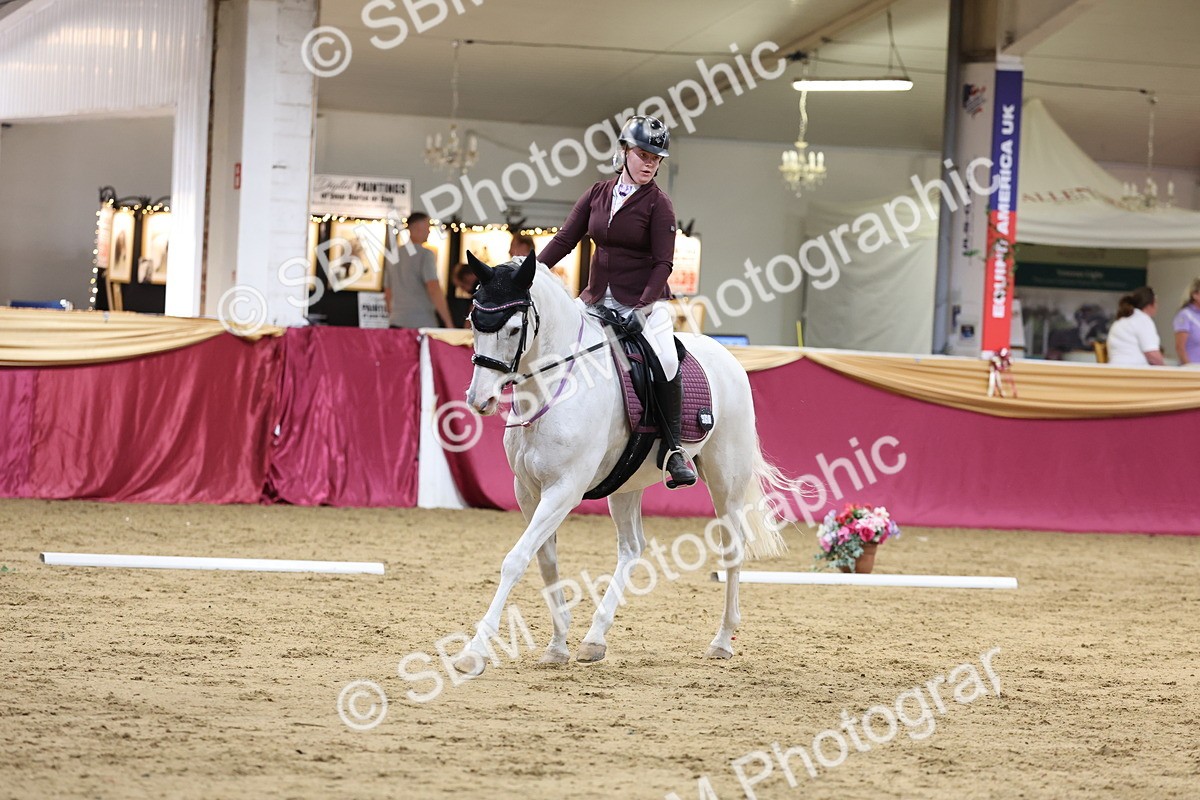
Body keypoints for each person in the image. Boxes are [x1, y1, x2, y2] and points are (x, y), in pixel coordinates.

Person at [537, 115, 695, 489]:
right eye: (642, 154)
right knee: (555, 345)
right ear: (624, 152)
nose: (649, 163)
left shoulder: (660, 205)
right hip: (594, 299)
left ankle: (674, 450)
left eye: (656, 158)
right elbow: (564, 240)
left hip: (644, 303)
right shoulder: (597, 194)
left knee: (666, 358)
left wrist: (642, 308)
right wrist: (528, 272)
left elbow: (663, 264)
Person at [384, 212, 454, 329]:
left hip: (396, 321)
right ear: (415, 228)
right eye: (427, 227)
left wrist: (393, 314)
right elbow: (433, 288)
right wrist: (448, 322)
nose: (429, 231)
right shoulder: (425, 254)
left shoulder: (393, 255)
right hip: (421, 321)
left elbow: (387, 291)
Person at [1105, 286, 1164, 366]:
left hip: (1115, 370)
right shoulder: (1143, 320)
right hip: (1135, 373)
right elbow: (1152, 355)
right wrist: (1167, 371)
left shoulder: (1120, 321)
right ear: (1150, 304)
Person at [1172, 277, 1200, 367]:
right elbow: (1180, 347)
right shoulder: (1185, 315)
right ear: (1195, 295)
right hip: (1192, 369)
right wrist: (1190, 368)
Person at [448, 262, 478, 329]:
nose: (464, 290)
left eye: (462, 286)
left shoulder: (481, 288)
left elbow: (474, 309)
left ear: (467, 277)